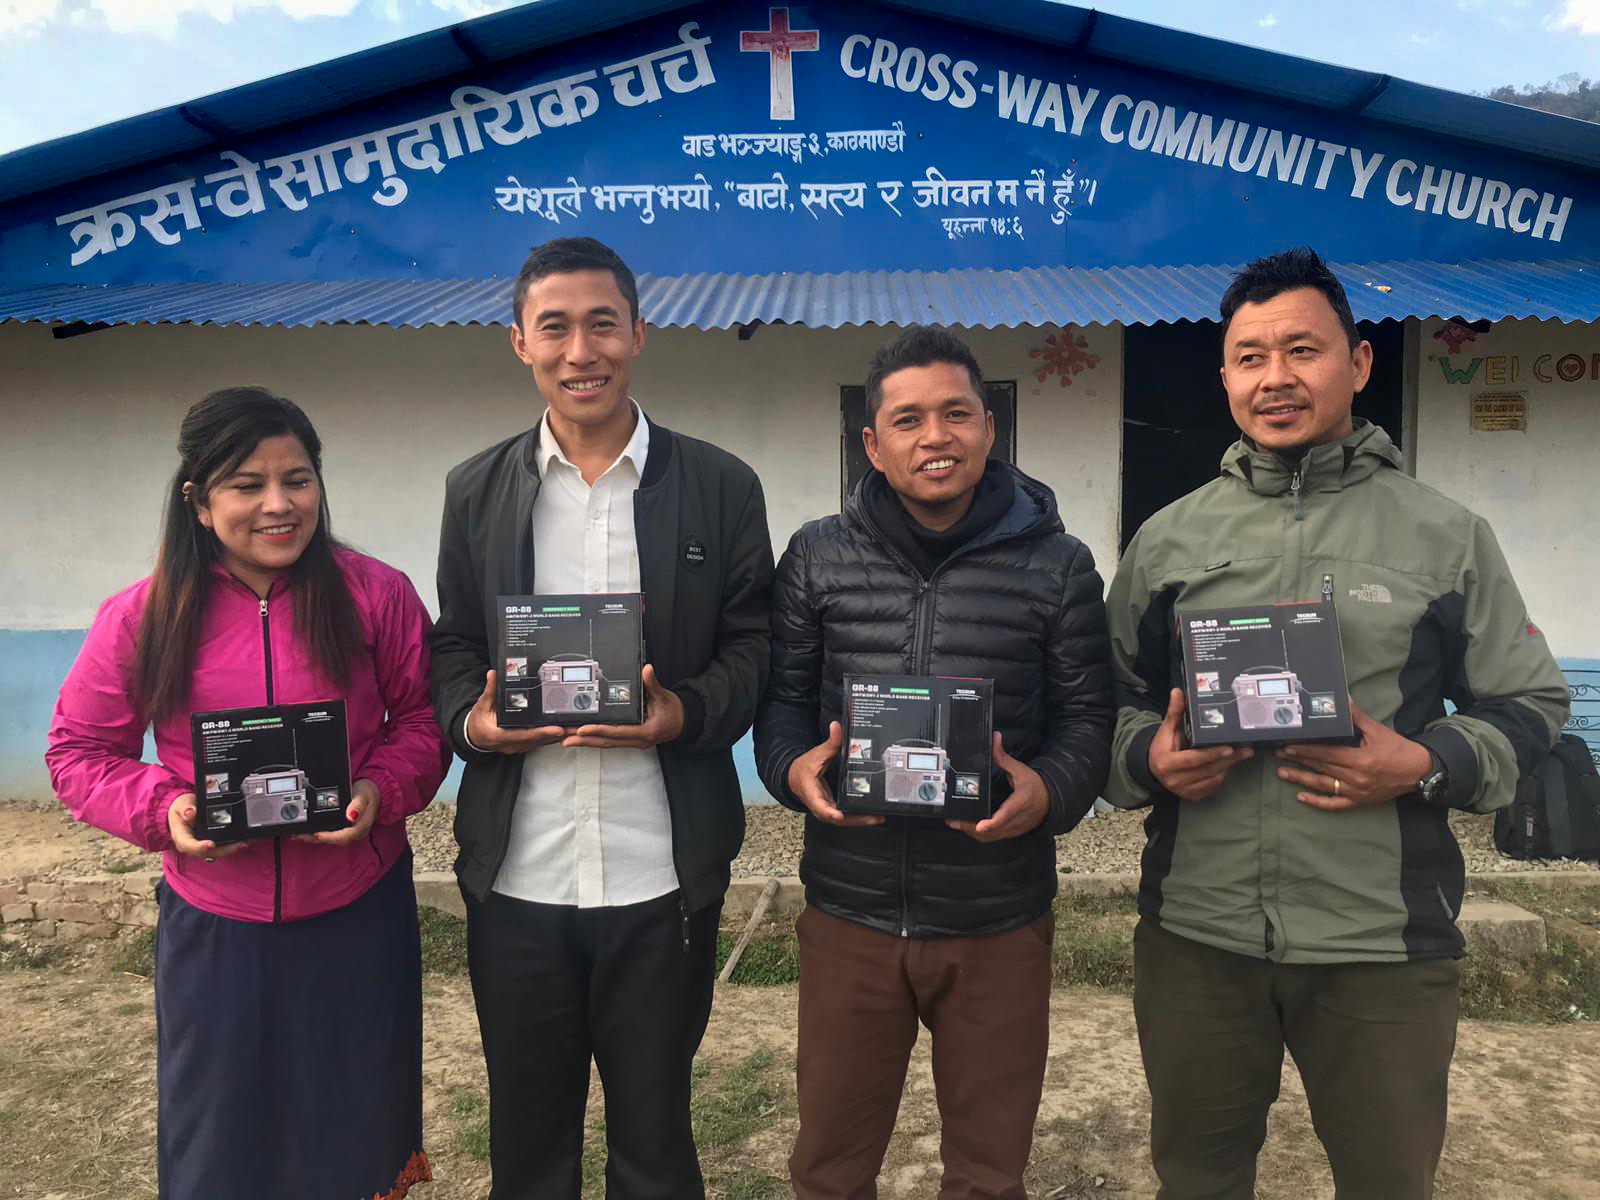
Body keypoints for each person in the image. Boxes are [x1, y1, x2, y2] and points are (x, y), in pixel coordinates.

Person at [1104, 247, 1571, 1199]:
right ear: (1226, 374)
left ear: (1357, 363)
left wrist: (1425, 762)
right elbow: (1107, 705)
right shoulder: (1168, 540)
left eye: (1302, 351)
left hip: (1381, 943)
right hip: (1200, 936)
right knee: (1195, 1178)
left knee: (1390, 1181)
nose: (1276, 378)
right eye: (1250, 357)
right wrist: (1147, 758)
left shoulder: (1444, 535)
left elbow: (1532, 706)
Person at [428, 236, 774, 1199]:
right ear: (519, 344)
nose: (581, 350)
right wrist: (477, 727)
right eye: (555, 327)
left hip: (661, 873)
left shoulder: (719, 485)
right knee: (528, 1147)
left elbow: (757, 650)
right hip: (520, 876)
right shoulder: (477, 490)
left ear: (639, 334)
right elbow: (454, 645)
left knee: (655, 1142)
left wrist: (683, 713)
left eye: (602, 324)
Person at [47, 387, 451, 1200]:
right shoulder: (143, 617)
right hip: (215, 933)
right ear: (199, 501)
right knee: (223, 1142)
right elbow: (78, 751)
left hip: (358, 915)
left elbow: (422, 722)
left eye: (297, 480)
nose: (278, 504)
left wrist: (377, 790)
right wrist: (166, 811)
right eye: (246, 484)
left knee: (357, 1133)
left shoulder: (378, 594)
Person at [754, 325, 1114, 1199]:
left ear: (989, 428)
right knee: (829, 1168)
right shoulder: (816, 556)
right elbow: (782, 708)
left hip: (997, 917)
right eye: (908, 420)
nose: (935, 437)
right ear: (873, 445)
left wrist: (1051, 791)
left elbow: (1088, 722)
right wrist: (795, 771)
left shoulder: (1059, 567)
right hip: (851, 913)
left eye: (956, 413)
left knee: (989, 1173)